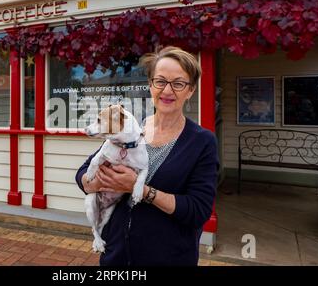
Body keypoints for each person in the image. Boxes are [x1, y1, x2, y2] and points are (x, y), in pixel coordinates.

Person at [75, 46, 219, 266]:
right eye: (160, 81)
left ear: (190, 90)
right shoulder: (132, 130)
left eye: (178, 83)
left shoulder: (202, 142)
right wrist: (97, 183)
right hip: (116, 257)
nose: (167, 91)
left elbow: (198, 211)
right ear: (151, 85)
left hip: (168, 259)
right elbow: (82, 174)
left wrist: (140, 190)